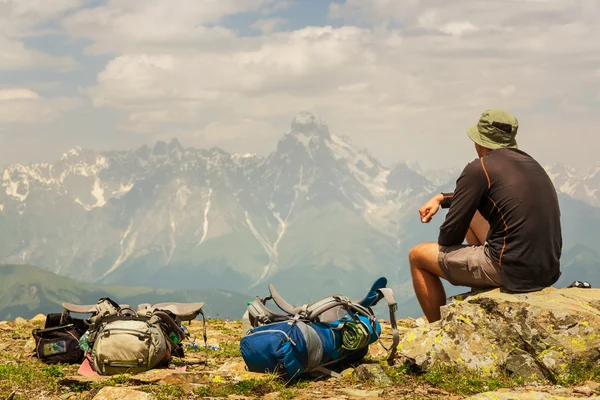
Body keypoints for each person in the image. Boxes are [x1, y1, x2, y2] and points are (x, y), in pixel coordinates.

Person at [409, 109, 562, 323]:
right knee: (475, 215)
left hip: (510, 270)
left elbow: (448, 239)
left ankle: (436, 333)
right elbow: (498, 195)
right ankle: (481, 281)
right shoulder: (531, 164)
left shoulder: (479, 168)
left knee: (417, 256)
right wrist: (443, 198)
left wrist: (457, 209)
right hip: (547, 269)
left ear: (479, 141)